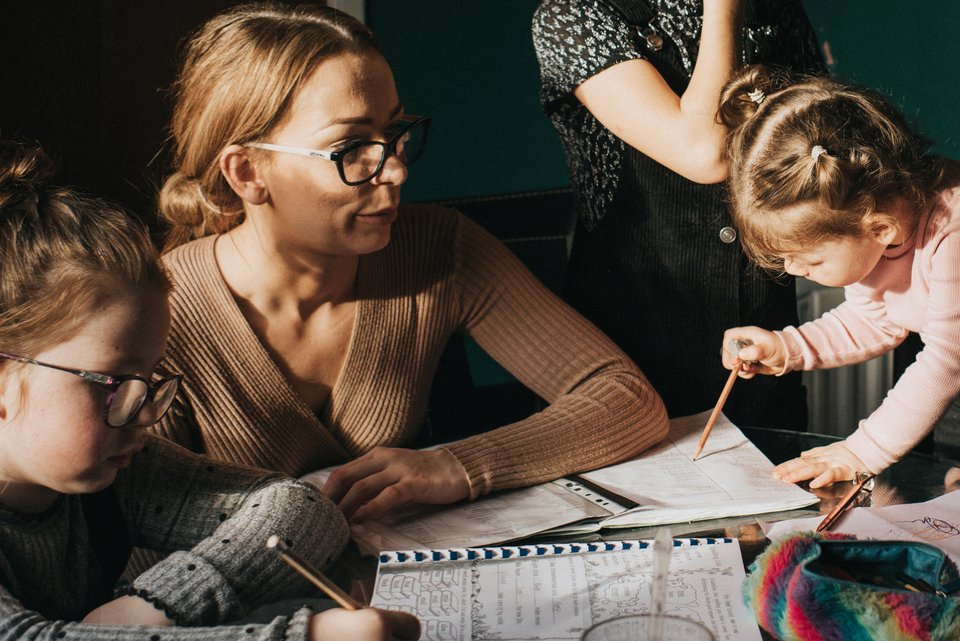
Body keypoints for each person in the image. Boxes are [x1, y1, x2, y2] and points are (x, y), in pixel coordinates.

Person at [153, 3, 668, 523]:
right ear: (246, 173)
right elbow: (132, 548)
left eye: (395, 132)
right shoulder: (159, 312)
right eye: (351, 147)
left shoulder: (434, 247)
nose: (395, 170)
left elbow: (626, 401)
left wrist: (459, 465)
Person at [0, 140, 419, 640]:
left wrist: (155, 607)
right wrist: (310, 637)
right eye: (113, 383)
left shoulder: (118, 476)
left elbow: (302, 509)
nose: (143, 412)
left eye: (149, 378)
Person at [532, 0, 824, 429]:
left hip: (760, 345)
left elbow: (817, 132)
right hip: (634, 354)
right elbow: (705, 154)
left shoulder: (771, 6)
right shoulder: (570, 16)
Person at [718, 65, 957, 488]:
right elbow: (875, 319)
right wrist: (787, 347)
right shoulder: (877, 223)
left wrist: (861, 451)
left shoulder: (952, 234)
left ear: (880, 228)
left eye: (808, 259)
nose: (793, 270)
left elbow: (946, 362)